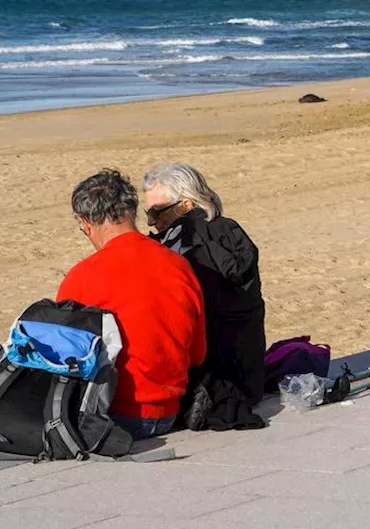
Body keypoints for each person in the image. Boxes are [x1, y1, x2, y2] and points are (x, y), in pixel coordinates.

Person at [58, 169, 205, 439]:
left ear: (86, 223)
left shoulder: (83, 276)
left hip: (115, 415)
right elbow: (197, 353)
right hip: (169, 411)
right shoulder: (178, 265)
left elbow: (63, 361)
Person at [143, 163, 267, 402]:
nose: (150, 222)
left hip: (210, 384)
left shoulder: (186, 245)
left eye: (156, 213)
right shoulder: (227, 233)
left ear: (186, 205)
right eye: (148, 213)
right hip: (247, 378)